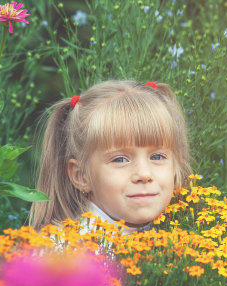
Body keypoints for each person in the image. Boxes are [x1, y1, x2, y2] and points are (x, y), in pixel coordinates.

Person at [29, 80, 191, 234]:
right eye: (120, 159)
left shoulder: (186, 232)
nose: (144, 174)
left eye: (157, 157)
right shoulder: (66, 253)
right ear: (81, 176)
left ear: (176, 165)